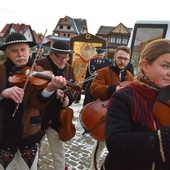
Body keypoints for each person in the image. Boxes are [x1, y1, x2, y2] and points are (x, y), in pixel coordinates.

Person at [0, 33, 67, 170]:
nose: (20, 54)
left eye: (23, 49)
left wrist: (50, 88)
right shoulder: (1, 70)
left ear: (29, 51)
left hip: (29, 131)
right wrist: (2, 93)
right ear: (7, 53)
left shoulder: (37, 70)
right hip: (4, 132)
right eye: (15, 50)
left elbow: (36, 103)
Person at [101, 39, 170, 170]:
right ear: (145, 65)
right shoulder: (124, 96)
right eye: (166, 66)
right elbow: (116, 142)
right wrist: (164, 139)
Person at [36, 40, 79, 170]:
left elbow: (75, 90)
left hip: (58, 117)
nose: (63, 61)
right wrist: (52, 92)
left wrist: (68, 99)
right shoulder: (40, 65)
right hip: (40, 116)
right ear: (52, 55)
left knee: (59, 152)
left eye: (66, 58)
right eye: (59, 57)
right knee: (35, 150)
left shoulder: (69, 68)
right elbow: (33, 90)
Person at [89, 45, 134, 170]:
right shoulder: (103, 71)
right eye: (120, 58)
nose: (122, 61)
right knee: (101, 143)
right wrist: (114, 89)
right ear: (114, 57)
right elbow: (94, 89)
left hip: (123, 115)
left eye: (125, 59)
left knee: (118, 144)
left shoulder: (129, 75)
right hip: (106, 113)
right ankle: (93, 167)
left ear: (129, 60)